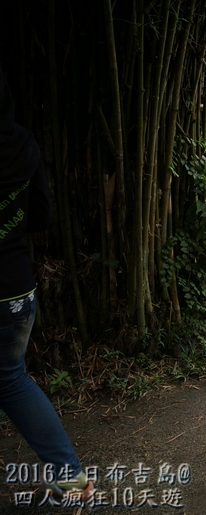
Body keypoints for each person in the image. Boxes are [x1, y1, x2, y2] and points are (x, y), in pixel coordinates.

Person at [0, 69, 93, 502]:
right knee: (12, 379)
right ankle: (69, 474)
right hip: (17, 288)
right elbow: (39, 216)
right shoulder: (22, 143)